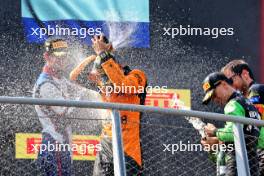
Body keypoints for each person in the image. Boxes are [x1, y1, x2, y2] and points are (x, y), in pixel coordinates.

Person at [70, 35, 147, 175]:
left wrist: (103, 55)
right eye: (100, 71)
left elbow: (122, 85)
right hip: (106, 146)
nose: (101, 76)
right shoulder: (101, 79)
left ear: (114, 64)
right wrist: (95, 57)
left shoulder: (137, 75)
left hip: (128, 149)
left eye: (103, 70)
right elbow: (74, 77)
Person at [201, 72, 260, 176]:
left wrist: (214, 131)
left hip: (238, 161)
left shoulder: (232, 104)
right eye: (212, 98)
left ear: (224, 84)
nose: (215, 99)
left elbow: (234, 133)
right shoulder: (247, 102)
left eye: (214, 94)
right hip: (253, 162)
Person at [33, 37, 76, 176]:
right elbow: (66, 111)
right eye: (58, 56)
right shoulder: (46, 84)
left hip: (62, 144)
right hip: (54, 144)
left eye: (65, 56)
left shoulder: (60, 79)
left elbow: (81, 91)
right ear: (47, 56)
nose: (62, 60)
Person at [221, 59, 264, 175]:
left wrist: (217, 134)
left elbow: (253, 127)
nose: (230, 86)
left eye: (231, 80)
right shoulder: (242, 101)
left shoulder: (255, 90)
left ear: (245, 74)